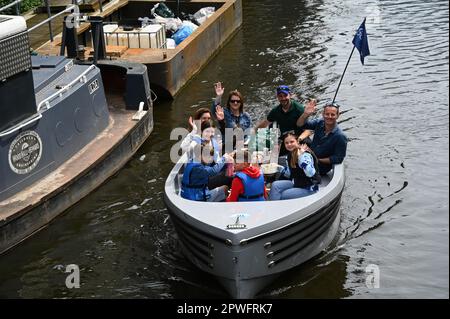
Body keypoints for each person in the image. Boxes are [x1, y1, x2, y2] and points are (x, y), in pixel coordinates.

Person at [255, 85, 314, 155]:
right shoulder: (275, 111)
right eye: (280, 96)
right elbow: (265, 123)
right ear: (277, 97)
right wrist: (254, 131)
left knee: (309, 149)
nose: (283, 98)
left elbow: (308, 130)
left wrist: (298, 140)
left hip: (300, 137)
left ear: (290, 95)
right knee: (272, 154)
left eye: (285, 95)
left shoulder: (299, 109)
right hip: (285, 138)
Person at [296, 101, 347, 175]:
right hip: (309, 158)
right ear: (323, 114)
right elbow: (300, 125)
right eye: (327, 114)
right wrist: (305, 114)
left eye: (332, 115)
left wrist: (318, 160)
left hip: (320, 167)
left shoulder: (340, 136)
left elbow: (338, 158)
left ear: (338, 115)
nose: (329, 117)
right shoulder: (320, 122)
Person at [269, 132, 321, 201]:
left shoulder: (305, 155)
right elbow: (290, 173)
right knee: (275, 185)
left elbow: (310, 173)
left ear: (297, 142)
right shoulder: (290, 154)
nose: (289, 144)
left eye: (292, 142)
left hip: (309, 187)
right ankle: (273, 207)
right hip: (297, 182)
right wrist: (277, 167)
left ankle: (277, 208)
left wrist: (300, 157)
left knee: (284, 194)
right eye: (286, 143)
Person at [211, 82, 252, 147]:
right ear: (229, 102)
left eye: (238, 101)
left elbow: (248, 133)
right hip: (226, 145)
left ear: (241, 103)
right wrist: (219, 96)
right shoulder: (224, 112)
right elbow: (215, 109)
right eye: (232, 101)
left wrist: (246, 144)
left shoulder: (246, 116)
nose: (235, 103)